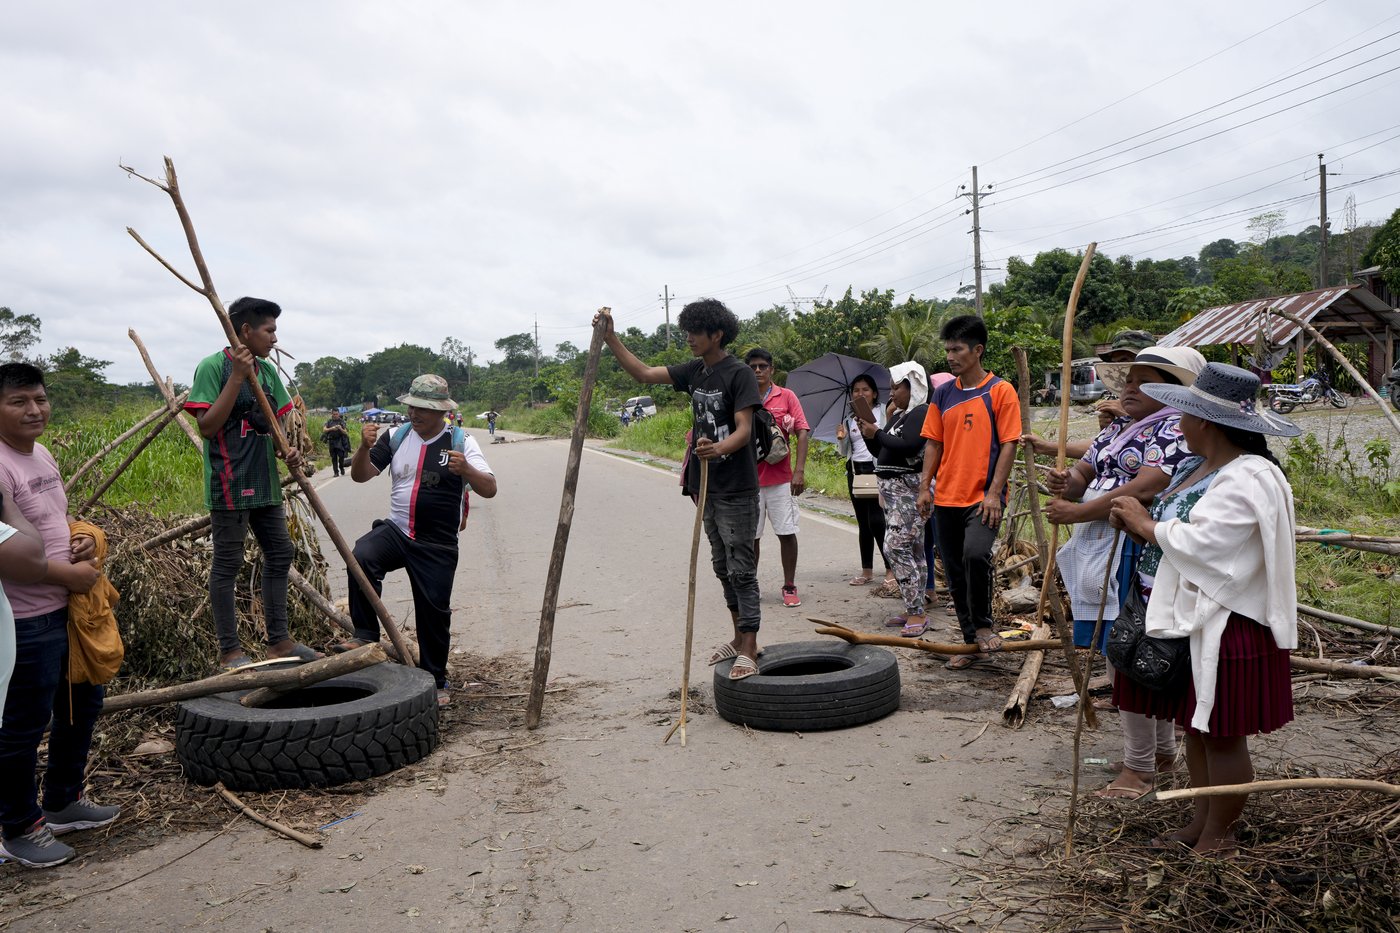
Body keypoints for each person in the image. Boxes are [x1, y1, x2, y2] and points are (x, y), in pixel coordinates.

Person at [1108, 363, 1300, 855]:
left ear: (1206, 424)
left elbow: (1212, 546)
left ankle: (1221, 835)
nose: (1179, 424)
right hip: (1194, 620)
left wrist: (1146, 525)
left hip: (1228, 623)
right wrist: (1140, 524)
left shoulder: (1249, 477)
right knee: (1198, 725)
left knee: (1221, 736)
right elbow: (1190, 537)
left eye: (1185, 416)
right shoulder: (1207, 468)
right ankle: (1201, 821)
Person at [1036, 346, 1205, 799]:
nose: (1128, 387)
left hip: (1135, 546)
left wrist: (1077, 511)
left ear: (1174, 392)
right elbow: (1083, 472)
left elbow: (1150, 483)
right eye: (1128, 379)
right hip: (1100, 545)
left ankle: (1139, 769)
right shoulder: (1117, 428)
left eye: (1142, 381)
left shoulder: (1174, 426)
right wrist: (1065, 485)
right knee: (1123, 651)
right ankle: (1159, 754)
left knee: (1131, 651)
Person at [593, 300, 764, 680]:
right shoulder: (696, 371)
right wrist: (611, 338)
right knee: (722, 566)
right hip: (706, 486)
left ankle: (751, 645)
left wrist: (717, 448)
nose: (688, 338)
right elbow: (643, 373)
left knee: (741, 568)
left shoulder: (739, 375)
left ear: (716, 334)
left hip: (736, 487)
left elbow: (743, 430)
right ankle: (737, 637)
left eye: (694, 332)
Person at [0, 363, 120, 868]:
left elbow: (48, 520)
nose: (34, 410)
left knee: (80, 706)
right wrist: (66, 575)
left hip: (68, 611)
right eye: (19, 402)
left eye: (40, 399)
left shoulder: (41, 454)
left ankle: (62, 801)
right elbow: (7, 553)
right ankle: (17, 826)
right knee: (23, 727)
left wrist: (76, 537)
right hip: (25, 619)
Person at [337, 375, 495, 706]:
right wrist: (364, 448)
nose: (414, 413)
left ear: (441, 411)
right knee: (361, 556)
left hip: (436, 543)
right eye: (412, 406)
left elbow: (490, 488)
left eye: (423, 408)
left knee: (433, 612)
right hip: (397, 530)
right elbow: (361, 475)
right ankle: (365, 634)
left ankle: (436, 680)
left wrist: (466, 470)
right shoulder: (396, 436)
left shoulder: (461, 441)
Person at [185, 297, 315, 671]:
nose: (275, 338)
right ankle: (230, 651)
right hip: (229, 480)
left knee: (280, 553)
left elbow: (276, 430)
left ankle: (279, 641)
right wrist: (239, 377)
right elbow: (208, 428)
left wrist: (286, 452)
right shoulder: (214, 367)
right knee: (228, 564)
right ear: (245, 331)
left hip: (265, 483)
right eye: (269, 330)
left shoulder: (269, 373)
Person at [916, 315, 1021, 669]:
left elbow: (1009, 445)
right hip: (945, 496)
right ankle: (968, 640)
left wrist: (994, 493)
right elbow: (933, 442)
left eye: (957, 349)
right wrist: (924, 487)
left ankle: (984, 625)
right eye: (947, 349)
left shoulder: (1000, 391)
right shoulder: (943, 393)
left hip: (982, 498)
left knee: (976, 555)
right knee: (956, 570)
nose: (950, 356)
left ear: (977, 350)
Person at [859, 362, 931, 637]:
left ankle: (916, 611)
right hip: (894, 490)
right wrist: (870, 432)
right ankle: (913, 606)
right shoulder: (900, 415)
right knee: (913, 550)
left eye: (896, 387)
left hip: (908, 488)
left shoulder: (922, 412)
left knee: (895, 547)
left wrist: (877, 431)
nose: (891, 393)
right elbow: (880, 448)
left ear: (913, 387)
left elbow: (910, 445)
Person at [744, 348, 810, 608]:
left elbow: (802, 432)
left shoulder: (787, 396)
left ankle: (789, 585)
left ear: (771, 368)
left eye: (762, 366)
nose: (758, 370)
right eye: (753, 367)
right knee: (752, 537)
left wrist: (799, 471)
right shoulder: (743, 396)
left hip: (782, 479)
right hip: (750, 480)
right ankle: (751, 585)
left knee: (787, 532)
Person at [836, 373, 892, 589]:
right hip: (856, 472)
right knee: (863, 523)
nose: (860, 393)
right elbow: (845, 452)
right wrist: (840, 438)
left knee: (878, 521)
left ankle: (890, 569)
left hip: (878, 470)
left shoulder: (885, 412)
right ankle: (866, 571)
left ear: (874, 393)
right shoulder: (849, 419)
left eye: (865, 390)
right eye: (856, 390)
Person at [321, 410, 352, 477]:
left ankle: (341, 467)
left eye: (336, 414)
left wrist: (340, 428)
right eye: (334, 414)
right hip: (331, 441)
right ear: (332, 414)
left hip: (339, 441)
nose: (335, 415)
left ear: (338, 414)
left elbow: (345, 432)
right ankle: (336, 472)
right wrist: (332, 428)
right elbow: (324, 429)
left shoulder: (341, 421)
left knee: (341, 456)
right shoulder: (329, 421)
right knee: (333, 458)